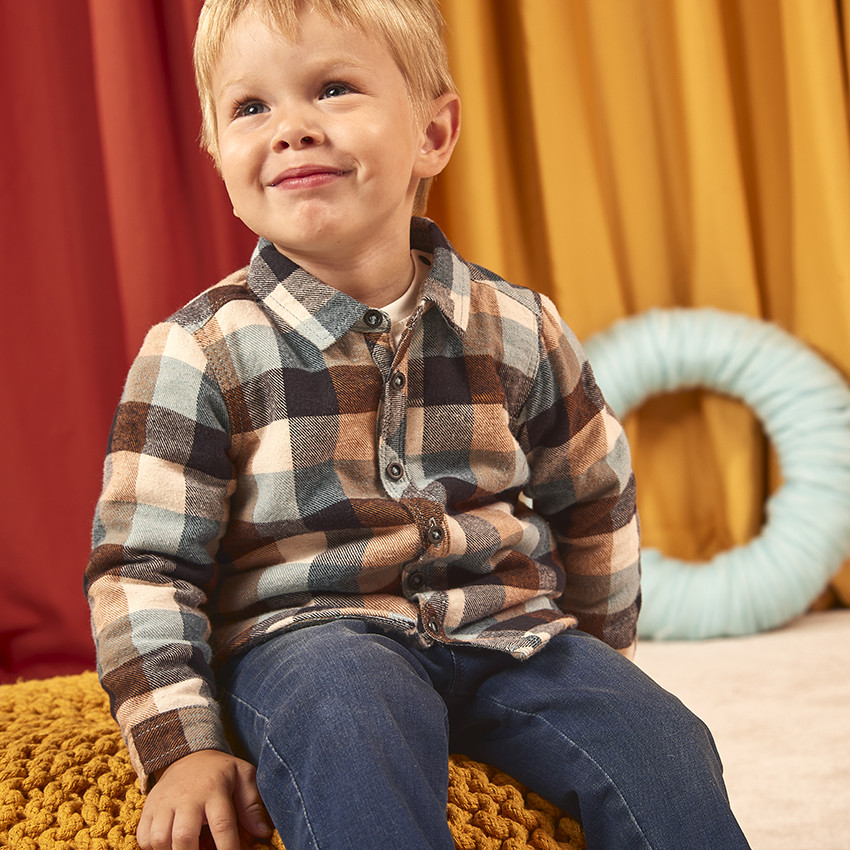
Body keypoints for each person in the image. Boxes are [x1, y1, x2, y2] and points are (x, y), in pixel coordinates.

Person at [85, 1, 752, 849]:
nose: (290, 128)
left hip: (507, 629)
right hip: (309, 641)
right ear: (218, 153)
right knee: (350, 715)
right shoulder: (198, 351)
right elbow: (141, 566)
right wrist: (181, 745)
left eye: (332, 88)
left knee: (664, 740)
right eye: (250, 108)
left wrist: (602, 661)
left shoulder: (520, 326)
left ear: (433, 134)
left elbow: (593, 497)